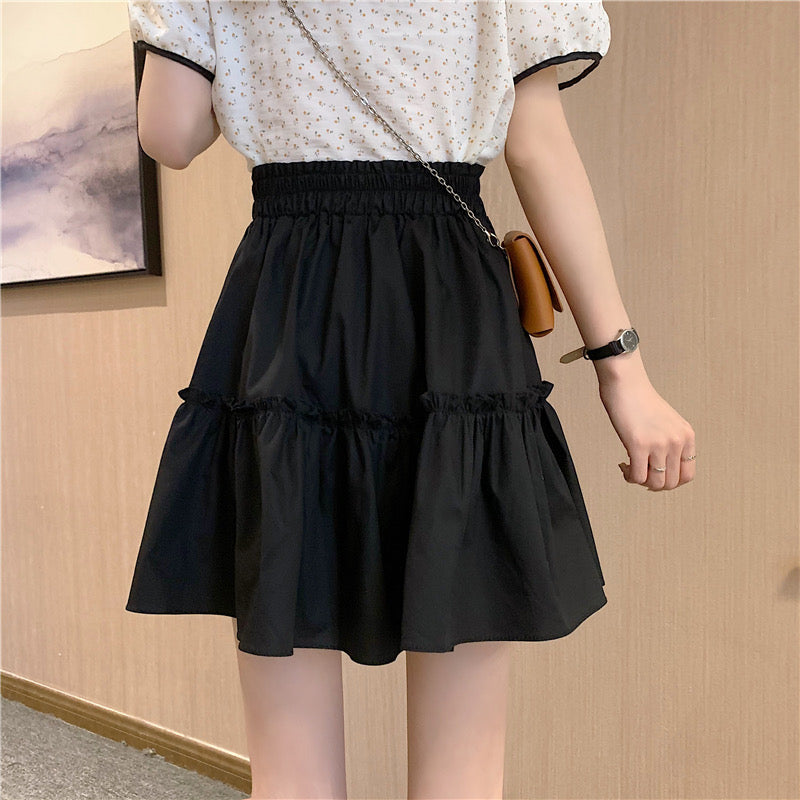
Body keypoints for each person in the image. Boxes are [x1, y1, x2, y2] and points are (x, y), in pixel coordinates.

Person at [125, 2, 696, 798]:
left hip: (292, 297)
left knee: (290, 751)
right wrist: (621, 370)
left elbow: (170, 136)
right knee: (463, 756)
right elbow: (537, 146)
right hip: (446, 299)